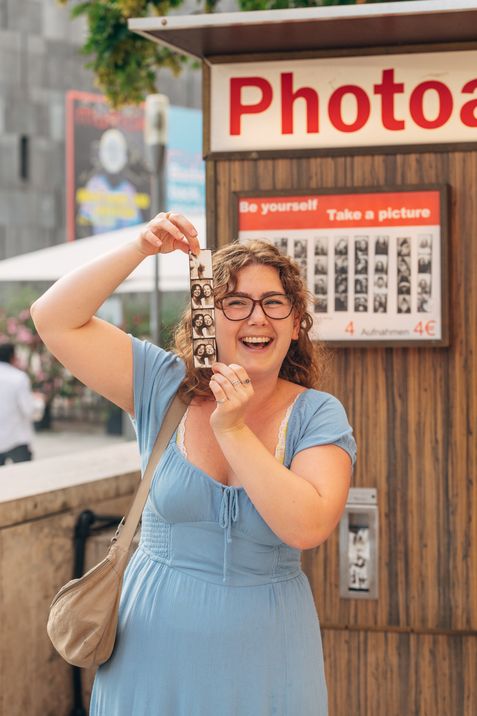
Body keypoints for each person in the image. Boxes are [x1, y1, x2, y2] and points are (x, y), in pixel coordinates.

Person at [31, 211, 356, 716]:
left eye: (274, 302)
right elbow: (54, 318)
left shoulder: (317, 413)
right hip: (149, 652)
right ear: (205, 314)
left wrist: (233, 430)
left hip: (268, 658)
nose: (257, 317)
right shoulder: (162, 385)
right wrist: (138, 247)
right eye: (235, 303)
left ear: (296, 324)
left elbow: (307, 525)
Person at [0, 342, 36, 466]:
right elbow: (28, 409)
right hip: (17, 437)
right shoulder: (18, 377)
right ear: (12, 357)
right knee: (25, 479)